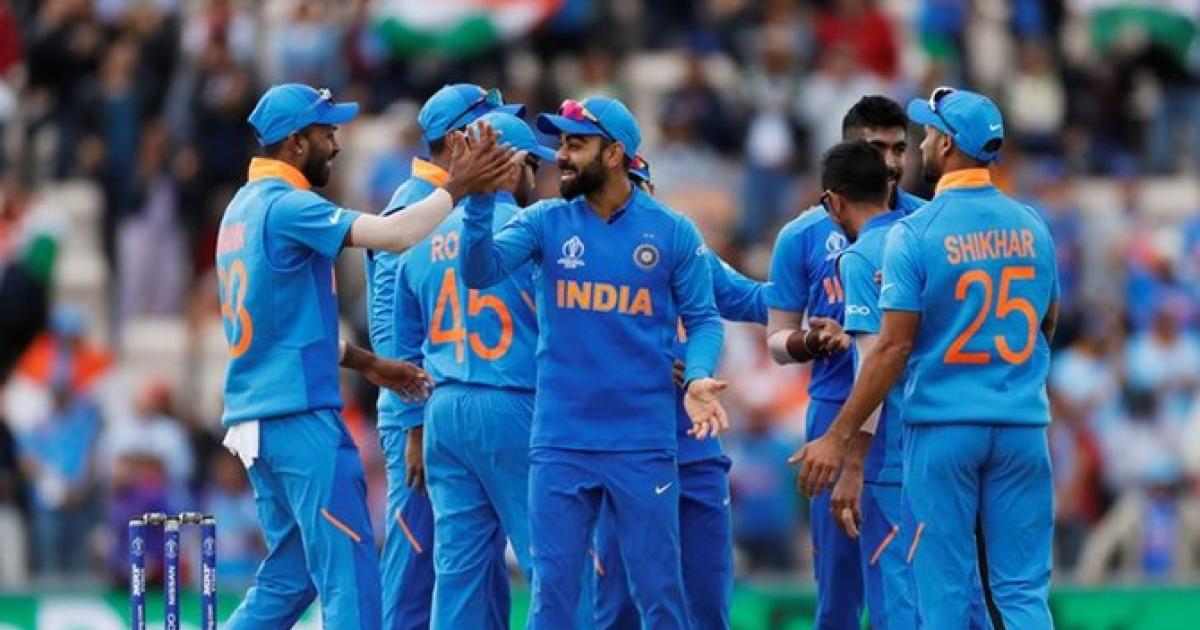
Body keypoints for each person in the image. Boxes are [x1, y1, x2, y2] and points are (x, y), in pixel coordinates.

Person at [216, 83, 511, 629]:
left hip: (256, 419)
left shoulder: (240, 209)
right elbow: (394, 235)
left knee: (289, 579)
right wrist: (459, 187)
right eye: (327, 133)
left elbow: (278, 327)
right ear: (296, 142)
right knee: (351, 578)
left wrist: (366, 362)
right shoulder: (287, 205)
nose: (336, 145)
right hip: (300, 418)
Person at [460, 97, 730, 629]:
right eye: (561, 143)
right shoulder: (545, 221)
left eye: (576, 144)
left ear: (613, 154)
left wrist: (698, 376)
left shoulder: (671, 231)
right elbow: (478, 271)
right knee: (553, 598)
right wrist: (478, 201)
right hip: (561, 441)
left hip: (642, 442)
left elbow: (704, 320)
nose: (561, 155)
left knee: (660, 596)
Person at [796, 87, 1059, 628]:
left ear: (947, 146)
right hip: (1023, 426)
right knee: (1021, 591)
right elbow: (1046, 323)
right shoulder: (1033, 225)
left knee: (942, 592)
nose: (921, 144)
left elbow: (892, 347)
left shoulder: (915, 233)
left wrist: (839, 435)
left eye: (929, 133)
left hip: (944, 429)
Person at [365, 83, 523, 630]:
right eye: (489, 129)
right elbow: (390, 331)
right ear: (458, 141)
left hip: (456, 404)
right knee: (416, 564)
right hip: (421, 415)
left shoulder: (460, 202)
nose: (500, 141)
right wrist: (413, 423)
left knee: (477, 563)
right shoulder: (413, 208)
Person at [388, 111, 554, 629]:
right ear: (513, 166)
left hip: (443, 414)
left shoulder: (422, 234)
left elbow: (404, 348)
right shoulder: (535, 230)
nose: (536, 180)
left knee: (458, 576)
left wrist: (414, 429)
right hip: (514, 403)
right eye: (533, 167)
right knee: (552, 562)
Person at [764, 94, 922, 628]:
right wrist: (810, 343)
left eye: (899, 149)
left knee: (909, 584)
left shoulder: (926, 225)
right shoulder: (801, 236)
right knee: (838, 588)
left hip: (909, 417)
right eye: (876, 149)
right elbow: (776, 339)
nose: (891, 163)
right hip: (834, 409)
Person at [592, 157, 767, 629]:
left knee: (707, 602)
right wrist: (649, 362)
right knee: (618, 607)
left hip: (695, 450)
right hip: (622, 455)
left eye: (640, 188)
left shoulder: (680, 248)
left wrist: (828, 293)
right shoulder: (585, 258)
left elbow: (752, 299)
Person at [814, 140, 918, 627]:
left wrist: (851, 463)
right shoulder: (926, 236)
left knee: (896, 601)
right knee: (958, 598)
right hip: (948, 441)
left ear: (834, 201)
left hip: (892, 457)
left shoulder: (861, 257)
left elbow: (873, 361)